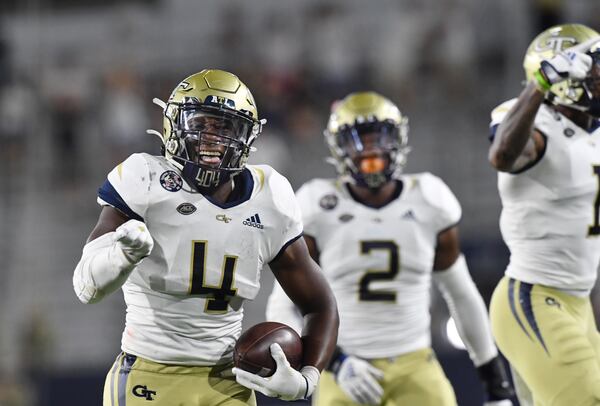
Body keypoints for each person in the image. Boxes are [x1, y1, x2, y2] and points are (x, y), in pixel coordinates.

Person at [72, 69, 339, 405]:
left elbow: (320, 304)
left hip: (228, 382)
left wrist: (308, 379)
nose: (212, 139)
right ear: (175, 126)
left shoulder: (270, 197)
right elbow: (86, 286)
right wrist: (120, 257)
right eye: (201, 125)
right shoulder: (146, 178)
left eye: (226, 127)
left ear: (248, 136)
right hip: (150, 373)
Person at [266, 91, 514, 405]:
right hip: (343, 367)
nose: (370, 149)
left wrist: (496, 385)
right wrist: (335, 362)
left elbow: (461, 294)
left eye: (378, 137)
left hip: (415, 363)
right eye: (358, 140)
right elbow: (285, 302)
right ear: (338, 146)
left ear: (398, 139)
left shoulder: (429, 197)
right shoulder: (317, 203)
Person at [487, 23, 600, 405]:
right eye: (595, 68)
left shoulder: (594, 133)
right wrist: (539, 85)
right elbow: (502, 155)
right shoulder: (535, 123)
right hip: (533, 297)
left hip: (578, 303)